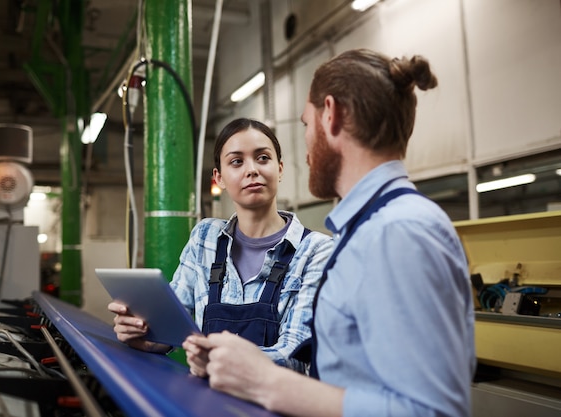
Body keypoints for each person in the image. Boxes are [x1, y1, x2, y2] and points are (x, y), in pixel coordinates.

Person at [183, 49, 476, 416]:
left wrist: (264, 381)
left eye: (306, 124)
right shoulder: (368, 230)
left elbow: (433, 412)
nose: (306, 144)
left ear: (331, 115)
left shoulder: (399, 233)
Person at [108, 117, 333, 373]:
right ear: (219, 178)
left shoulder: (316, 250)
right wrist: (146, 336)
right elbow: (172, 325)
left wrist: (217, 359)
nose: (252, 170)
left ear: (280, 169)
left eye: (262, 158)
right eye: (237, 161)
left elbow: (294, 354)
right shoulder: (205, 237)